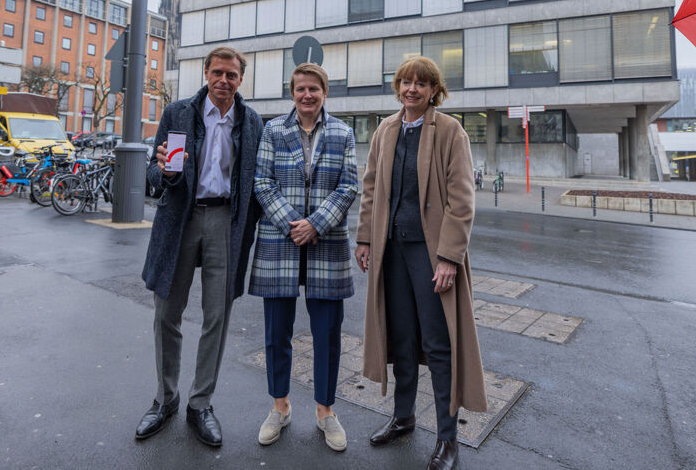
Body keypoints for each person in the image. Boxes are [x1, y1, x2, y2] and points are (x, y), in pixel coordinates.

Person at [355, 57, 487, 470]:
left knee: (438, 343)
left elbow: (462, 201)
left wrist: (450, 256)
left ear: (434, 91)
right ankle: (404, 416)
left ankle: (448, 439)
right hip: (391, 251)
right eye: (405, 82)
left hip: (430, 255)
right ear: (398, 87)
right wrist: (363, 238)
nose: (411, 89)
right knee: (403, 340)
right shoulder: (385, 130)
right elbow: (371, 188)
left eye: (421, 84)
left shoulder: (449, 131)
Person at [138, 46, 264, 448]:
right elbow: (155, 174)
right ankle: (165, 398)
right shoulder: (178, 113)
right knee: (166, 312)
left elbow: (256, 182)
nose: (223, 81)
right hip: (180, 218)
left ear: (240, 80)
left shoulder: (252, 121)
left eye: (232, 75)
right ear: (205, 73)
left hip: (226, 222)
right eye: (217, 73)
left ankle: (200, 403)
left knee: (217, 316)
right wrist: (163, 170)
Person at [249, 63, 358, 451]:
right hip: (280, 242)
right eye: (300, 89)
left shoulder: (343, 133)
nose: (307, 95)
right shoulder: (273, 130)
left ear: (324, 92)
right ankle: (279, 406)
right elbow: (262, 181)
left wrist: (315, 225)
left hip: (325, 244)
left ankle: (325, 411)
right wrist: (293, 223)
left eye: (314, 88)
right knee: (277, 332)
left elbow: (348, 187)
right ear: (292, 93)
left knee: (327, 334)